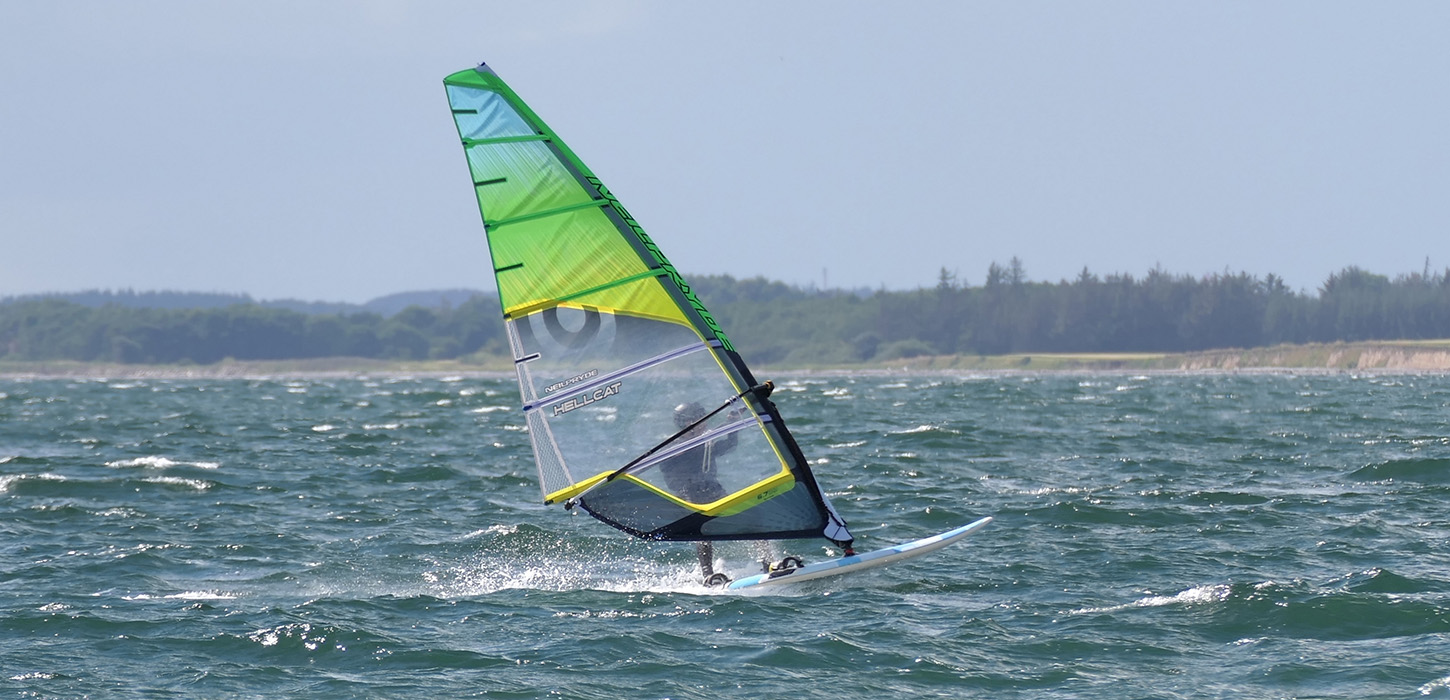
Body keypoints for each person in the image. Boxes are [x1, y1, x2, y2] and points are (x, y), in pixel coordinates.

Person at [658, 401, 739, 584]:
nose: (705, 423)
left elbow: (730, 445)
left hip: (712, 489)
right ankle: (708, 575)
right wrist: (712, 433)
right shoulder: (673, 446)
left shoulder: (706, 442)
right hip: (688, 495)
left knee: (749, 517)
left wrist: (733, 425)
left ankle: (768, 562)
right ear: (688, 423)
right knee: (704, 528)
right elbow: (685, 452)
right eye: (700, 420)